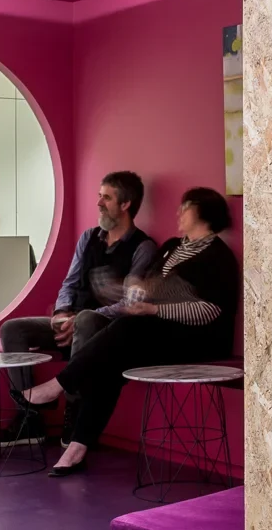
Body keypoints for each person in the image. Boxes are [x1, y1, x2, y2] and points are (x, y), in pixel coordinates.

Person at [12, 186, 238, 478]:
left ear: (205, 213)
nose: (178, 212)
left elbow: (210, 311)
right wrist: (129, 293)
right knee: (110, 359)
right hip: (158, 332)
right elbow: (152, 289)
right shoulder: (172, 246)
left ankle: (58, 386)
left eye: (186, 206)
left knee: (128, 327)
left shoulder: (218, 257)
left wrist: (154, 310)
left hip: (198, 339)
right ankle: (77, 448)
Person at [0, 170, 155, 448]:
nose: (99, 202)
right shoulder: (88, 238)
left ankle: (75, 413)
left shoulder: (144, 248)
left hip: (102, 328)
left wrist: (79, 319)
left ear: (126, 204)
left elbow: (130, 304)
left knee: (88, 319)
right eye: (99, 196)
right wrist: (61, 314)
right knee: (13, 328)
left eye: (107, 197)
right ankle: (29, 418)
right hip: (73, 320)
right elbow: (70, 282)